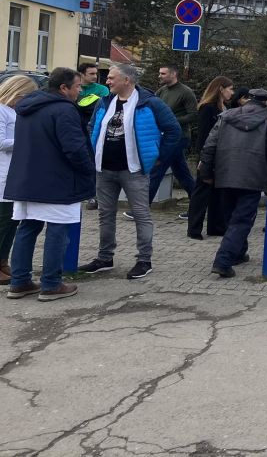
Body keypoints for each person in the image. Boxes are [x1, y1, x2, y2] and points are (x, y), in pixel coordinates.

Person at [80, 64, 181, 280]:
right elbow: (92, 127)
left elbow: (174, 131)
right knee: (105, 214)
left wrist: (158, 157)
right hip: (104, 168)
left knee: (141, 215)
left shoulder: (150, 103)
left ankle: (144, 260)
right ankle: (105, 258)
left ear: (127, 80)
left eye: (112, 78)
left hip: (134, 170)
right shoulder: (105, 101)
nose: (107, 81)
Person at [5, 68, 95, 301]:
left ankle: (20, 281)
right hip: (58, 181)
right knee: (58, 232)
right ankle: (51, 284)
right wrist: (88, 171)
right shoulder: (64, 110)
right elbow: (74, 148)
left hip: (27, 179)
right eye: (77, 87)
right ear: (63, 88)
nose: (80, 91)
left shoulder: (26, 108)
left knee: (28, 228)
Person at [202, 89, 267, 277]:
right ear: (266, 102)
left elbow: (210, 145)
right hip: (253, 176)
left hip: (225, 173)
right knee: (242, 219)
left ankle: (238, 253)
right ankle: (223, 261)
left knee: (232, 217)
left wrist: (206, 172)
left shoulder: (226, 116)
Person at [0, 75, 39, 285]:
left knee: (11, 222)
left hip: (13, 173)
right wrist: (27, 140)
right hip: (2, 174)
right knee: (4, 222)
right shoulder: (1, 110)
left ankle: (3, 260)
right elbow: (0, 142)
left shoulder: (13, 111)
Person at [186, 76, 233, 240]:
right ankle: (194, 228)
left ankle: (216, 226)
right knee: (202, 191)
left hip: (220, 155)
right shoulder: (208, 108)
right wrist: (203, 157)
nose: (231, 93)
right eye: (230, 89)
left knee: (217, 192)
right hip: (208, 155)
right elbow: (204, 135)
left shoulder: (223, 108)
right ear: (221, 89)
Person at [148, 63, 197, 207]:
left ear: (173, 74)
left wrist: (172, 121)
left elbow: (193, 115)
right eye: (159, 73)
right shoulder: (161, 91)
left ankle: (142, 208)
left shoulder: (186, 92)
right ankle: (198, 205)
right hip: (165, 135)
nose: (159, 76)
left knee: (158, 168)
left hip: (179, 137)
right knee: (182, 173)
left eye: (163, 73)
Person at [77, 62, 108, 128]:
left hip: (93, 126)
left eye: (96, 74)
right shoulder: (73, 88)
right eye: (91, 74)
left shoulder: (102, 89)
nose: (95, 76)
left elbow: (103, 108)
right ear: (81, 74)